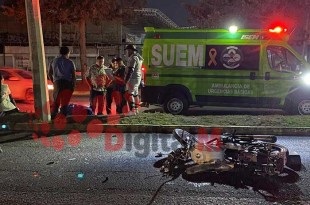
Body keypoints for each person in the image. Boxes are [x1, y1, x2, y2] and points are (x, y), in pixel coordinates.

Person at [48, 46, 76, 118]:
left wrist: (54, 82)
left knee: (56, 103)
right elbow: (73, 75)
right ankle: (62, 120)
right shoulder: (70, 62)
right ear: (68, 53)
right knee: (64, 104)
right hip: (67, 84)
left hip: (57, 83)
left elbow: (49, 73)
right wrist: (73, 85)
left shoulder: (53, 61)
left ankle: (53, 119)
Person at [124, 44, 144, 115]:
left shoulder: (133, 58)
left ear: (131, 50)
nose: (127, 52)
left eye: (128, 50)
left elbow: (131, 70)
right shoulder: (138, 57)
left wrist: (126, 80)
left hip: (132, 78)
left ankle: (132, 111)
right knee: (135, 94)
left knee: (130, 94)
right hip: (137, 78)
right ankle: (136, 109)